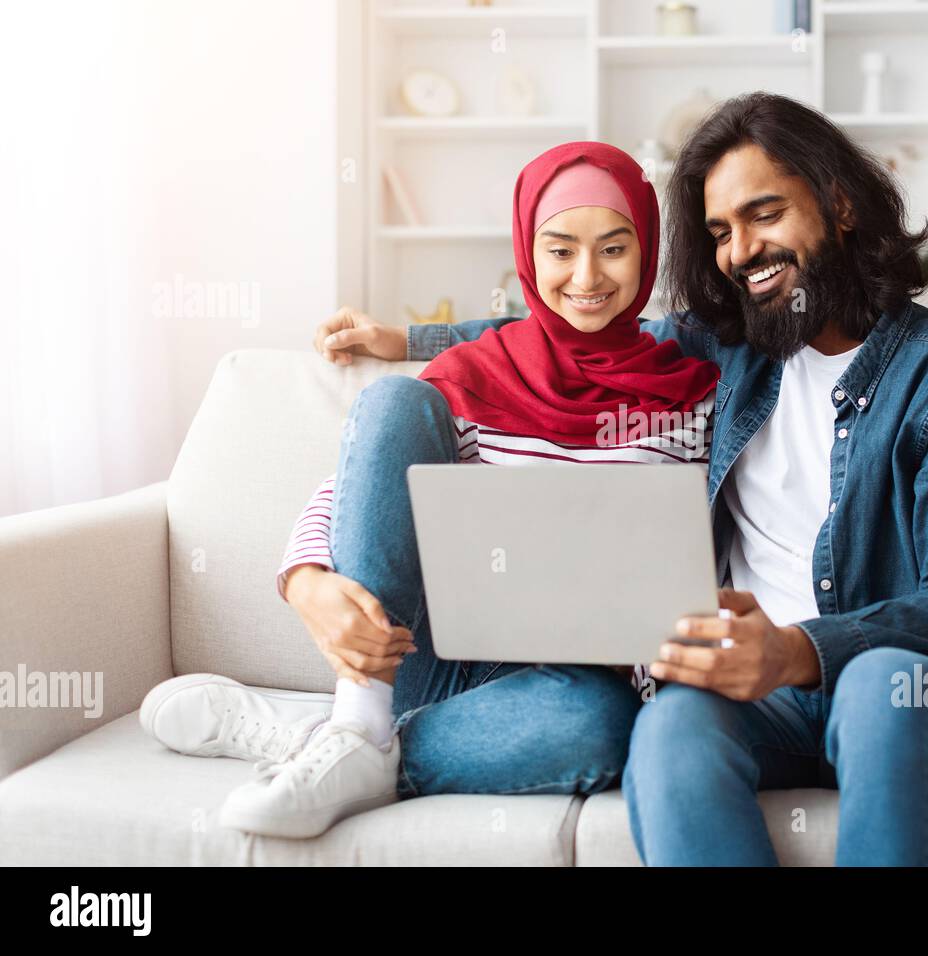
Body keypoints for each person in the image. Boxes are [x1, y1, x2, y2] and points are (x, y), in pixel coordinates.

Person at [316, 92, 928, 866]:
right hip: (765, 698)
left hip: (917, 692)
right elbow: (580, 321)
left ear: (839, 204)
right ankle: (354, 742)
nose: (741, 251)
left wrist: (799, 650)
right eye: (722, 232)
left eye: (764, 215)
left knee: (877, 688)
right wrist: (410, 339)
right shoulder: (736, 348)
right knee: (667, 723)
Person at [138, 141, 719, 839]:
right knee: (392, 403)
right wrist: (305, 581)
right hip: (424, 659)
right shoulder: (475, 370)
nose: (586, 276)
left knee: (602, 724)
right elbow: (362, 483)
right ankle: (357, 716)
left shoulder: (693, 392)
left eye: (614, 249)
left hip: (569, 691)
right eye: (560, 250)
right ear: (528, 254)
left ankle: (324, 742)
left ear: (647, 248)